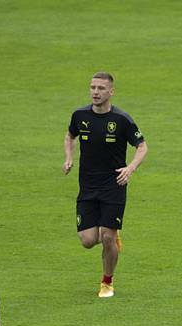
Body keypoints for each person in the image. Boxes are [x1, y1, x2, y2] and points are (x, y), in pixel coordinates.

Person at [63, 72, 148, 298]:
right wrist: (69, 157)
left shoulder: (122, 119)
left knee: (108, 237)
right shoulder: (80, 115)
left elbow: (142, 146)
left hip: (114, 185)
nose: (95, 92)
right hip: (88, 186)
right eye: (92, 87)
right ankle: (111, 233)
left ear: (111, 92)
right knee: (88, 241)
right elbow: (70, 136)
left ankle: (107, 282)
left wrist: (130, 169)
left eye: (101, 88)